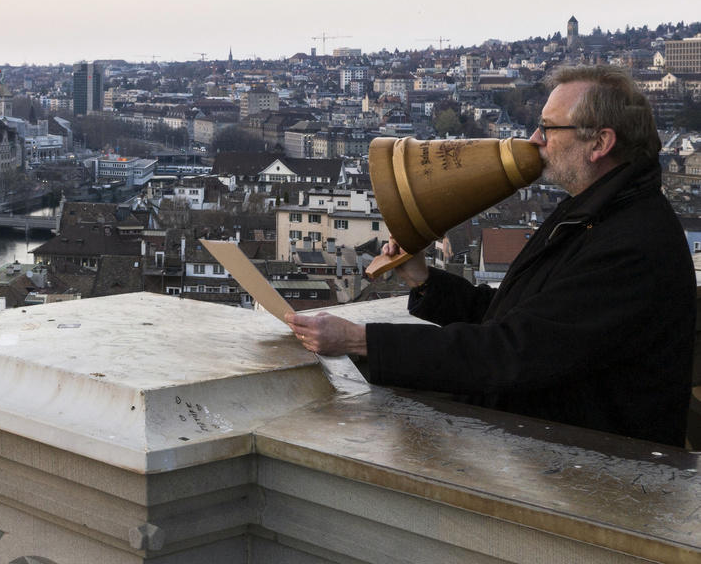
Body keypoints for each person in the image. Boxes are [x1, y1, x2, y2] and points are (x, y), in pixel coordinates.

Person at [286, 66, 695, 447]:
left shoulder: (630, 245)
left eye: (549, 128)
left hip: (592, 470)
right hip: (562, 449)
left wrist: (360, 340)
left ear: (600, 143)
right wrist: (424, 280)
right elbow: (518, 316)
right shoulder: (597, 212)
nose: (536, 139)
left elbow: (514, 351)